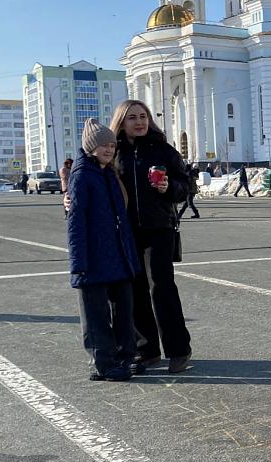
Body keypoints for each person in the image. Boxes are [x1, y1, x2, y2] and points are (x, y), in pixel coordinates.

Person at [110, 99, 192, 374]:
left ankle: (179, 350)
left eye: (143, 116)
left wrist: (169, 188)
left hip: (159, 228)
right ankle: (146, 351)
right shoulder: (114, 153)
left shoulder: (162, 150)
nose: (139, 121)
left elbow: (186, 187)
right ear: (121, 122)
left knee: (161, 287)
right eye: (132, 117)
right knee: (135, 290)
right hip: (126, 231)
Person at [67, 119, 142, 383]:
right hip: (94, 257)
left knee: (123, 308)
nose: (109, 150)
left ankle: (124, 357)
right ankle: (103, 364)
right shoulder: (82, 175)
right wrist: (79, 263)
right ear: (91, 147)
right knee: (96, 314)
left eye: (112, 145)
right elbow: (76, 221)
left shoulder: (107, 173)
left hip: (117, 255)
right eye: (103, 145)